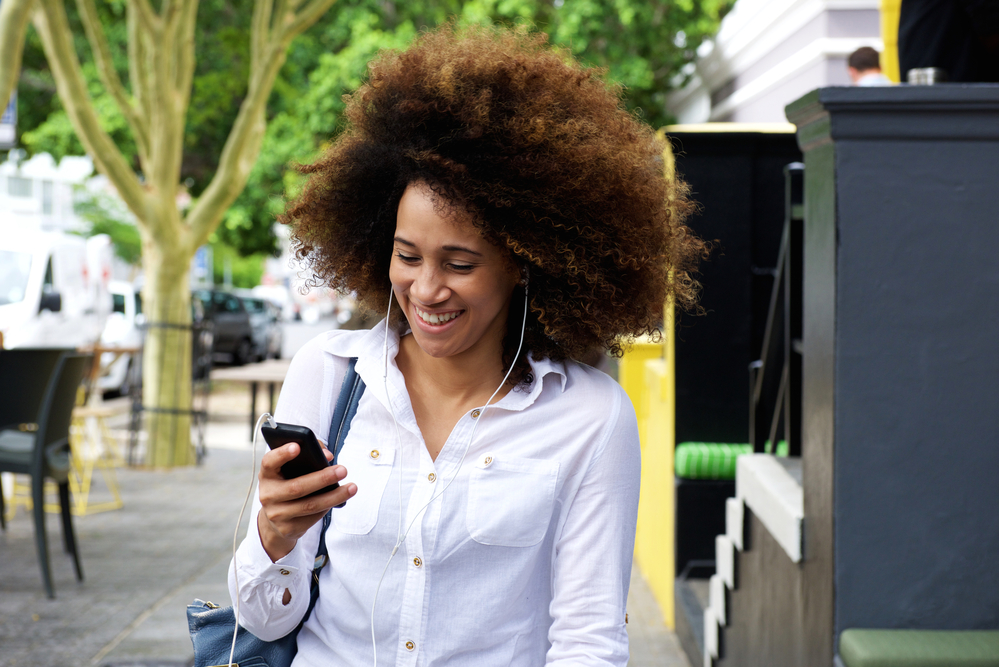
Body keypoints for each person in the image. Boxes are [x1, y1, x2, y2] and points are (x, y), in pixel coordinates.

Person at [228, 24, 704, 666]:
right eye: (407, 255)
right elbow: (259, 618)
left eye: (460, 264)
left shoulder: (590, 418)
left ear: (525, 263)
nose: (426, 289)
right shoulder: (328, 375)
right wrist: (274, 536)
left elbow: (588, 641)